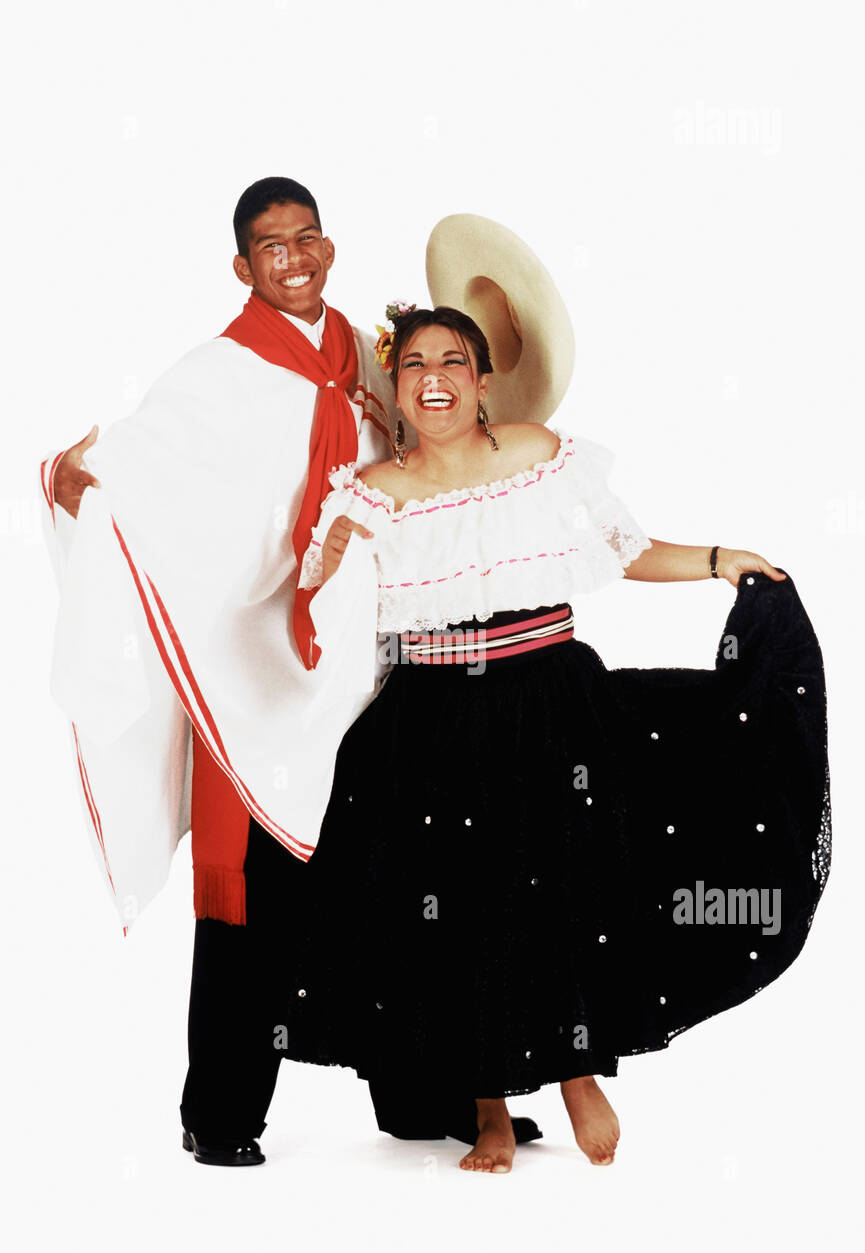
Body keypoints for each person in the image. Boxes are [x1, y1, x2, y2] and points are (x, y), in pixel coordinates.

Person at [41, 182, 542, 1165]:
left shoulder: (373, 352)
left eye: (307, 236)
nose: (293, 255)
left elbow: (441, 436)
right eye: (271, 245)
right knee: (255, 896)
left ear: (330, 246)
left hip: (371, 658)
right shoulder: (213, 375)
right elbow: (141, 472)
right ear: (244, 268)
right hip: (259, 667)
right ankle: (221, 1111)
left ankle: (420, 1093)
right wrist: (76, 485)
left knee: (404, 884)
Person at [284, 304, 831, 1175]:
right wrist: (331, 560)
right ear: (395, 385)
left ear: (482, 380)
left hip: (550, 698)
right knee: (458, 906)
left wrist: (720, 557)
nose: (434, 377)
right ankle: (489, 1109)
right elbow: (321, 617)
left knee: (572, 880)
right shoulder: (368, 492)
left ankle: (579, 1069)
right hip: (432, 714)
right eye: (415, 362)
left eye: (453, 361)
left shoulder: (538, 456)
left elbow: (624, 548)